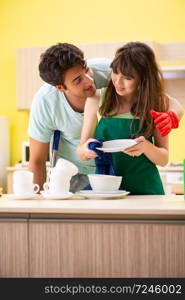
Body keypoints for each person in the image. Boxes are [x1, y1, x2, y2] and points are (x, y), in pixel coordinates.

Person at [28, 42, 183, 193]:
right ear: (61, 88)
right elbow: (39, 159)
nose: (89, 80)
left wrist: (171, 117)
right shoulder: (48, 102)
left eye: (86, 70)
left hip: (143, 185)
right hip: (89, 178)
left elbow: (162, 99)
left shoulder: (113, 70)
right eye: (78, 80)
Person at [77, 41, 179, 195]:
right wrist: (86, 149)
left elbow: (163, 159)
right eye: (115, 72)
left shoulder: (156, 103)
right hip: (107, 191)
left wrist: (146, 147)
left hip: (146, 191)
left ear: (142, 79)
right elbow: (81, 150)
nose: (118, 81)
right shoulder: (97, 98)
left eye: (128, 77)